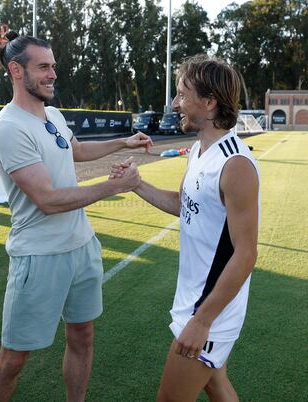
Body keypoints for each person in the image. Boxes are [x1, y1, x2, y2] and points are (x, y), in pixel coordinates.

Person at [0, 31, 152, 402]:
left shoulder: (54, 115)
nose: (53, 74)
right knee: (13, 358)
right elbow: (47, 199)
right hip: (40, 256)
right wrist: (114, 186)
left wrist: (123, 142)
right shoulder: (8, 127)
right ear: (16, 70)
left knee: (83, 336)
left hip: (81, 247)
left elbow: (75, 150)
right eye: (43, 67)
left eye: (53, 67)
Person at [111, 54, 259, 401]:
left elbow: (246, 253)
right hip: (195, 301)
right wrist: (137, 184)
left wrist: (202, 321)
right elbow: (183, 205)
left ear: (209, 103)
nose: (175, 103)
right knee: (217, 386)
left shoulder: (235, 165)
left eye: (182, 94)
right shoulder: (199, 151)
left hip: (209, 311)